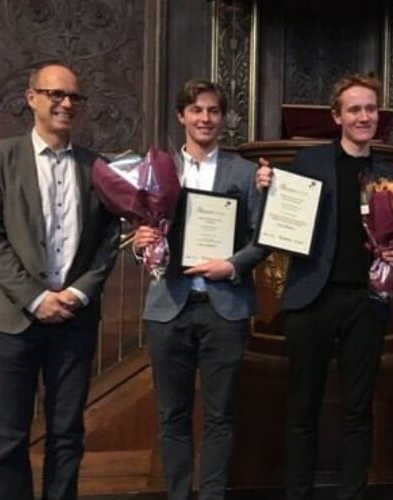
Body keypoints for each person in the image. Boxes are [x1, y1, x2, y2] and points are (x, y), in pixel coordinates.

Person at [255, 73, 393, 500]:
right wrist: (265, 188)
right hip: (312, 298)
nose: (363, 117)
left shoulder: (390, 175)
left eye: (370, 109)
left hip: (366, 303)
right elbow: (279, 219)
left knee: (358, 410)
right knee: (303, 408)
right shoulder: (309, 163)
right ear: (337, 116)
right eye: (354, 109)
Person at [0, 62, 120, 500]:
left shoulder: (97, 167)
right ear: (31, 98)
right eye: (55, 94)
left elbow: (109, 239)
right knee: (8, 439)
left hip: (74, 321)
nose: (66, 104)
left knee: (67, 434)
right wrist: (35, 297)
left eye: (74, 97)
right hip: (12, 322)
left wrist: (80, 293)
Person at [132, 79, 267, 500]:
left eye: (212, 111)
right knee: (172, 415)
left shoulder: (246, 173)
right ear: (181, 116)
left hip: (224, 307)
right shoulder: (156, 171)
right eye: (196, 110)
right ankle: (177, 494)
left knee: (220, 415)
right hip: (168, 306)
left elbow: (263, 238)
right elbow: (143, 231)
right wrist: (140, 244)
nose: (204, 118)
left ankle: (211, 495)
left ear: (222, 118)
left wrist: (232, 265)